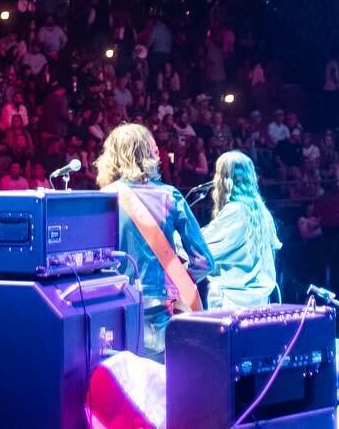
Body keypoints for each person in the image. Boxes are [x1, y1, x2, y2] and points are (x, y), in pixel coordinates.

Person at [95, 122, 214, 359]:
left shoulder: (104, 199)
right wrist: (176, 279)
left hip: (115, 307)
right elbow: (204, 262)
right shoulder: (170, 196)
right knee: (158, 387)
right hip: (158, 309)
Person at [202, 151, 280, 308]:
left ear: (223, 179)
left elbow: (202, 249)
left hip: (233, 304)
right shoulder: (263, 212)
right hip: (260, 302)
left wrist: (176, 236)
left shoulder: (235, 212)